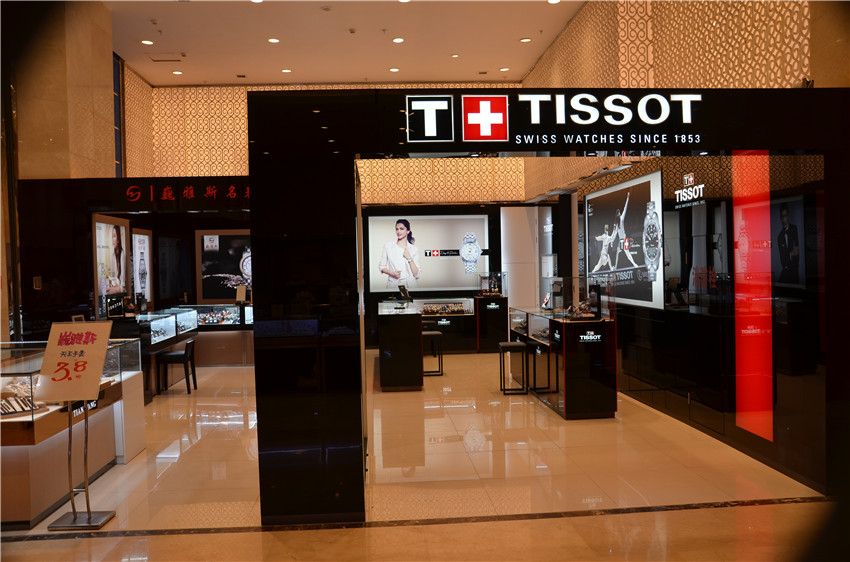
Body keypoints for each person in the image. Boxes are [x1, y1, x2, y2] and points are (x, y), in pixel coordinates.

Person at [379, 219, 421, 288]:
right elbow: (382, 266)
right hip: (394, 284)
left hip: (410, 285)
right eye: (397, 229)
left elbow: (417, 274)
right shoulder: (388, 246)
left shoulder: (414, 249)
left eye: (401, 229)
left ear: (408, 231)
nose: (398, 231)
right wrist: (392, 274)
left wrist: (409, 258)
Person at [613, 191, 640, 269]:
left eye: (619, 212)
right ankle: (615, 267)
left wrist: (628, 198)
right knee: (617, 252)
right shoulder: (616, 225)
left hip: (624, 240)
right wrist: (611, 241)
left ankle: (634, 264)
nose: (620, 213)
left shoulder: (622, 219)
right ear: (617, 215)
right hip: (620, 241)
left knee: (628, 254)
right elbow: (614, 234)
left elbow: (625, 208)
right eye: (618, 213)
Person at [777, 202, 800, 284]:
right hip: (786, 269)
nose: (783, 219)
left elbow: (796, 252)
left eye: (785, 216)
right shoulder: (779, 237)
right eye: (782, 217)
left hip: (794, 270)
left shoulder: (794, 229)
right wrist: (791, 254)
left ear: (788, 216)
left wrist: (789, 255)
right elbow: (782, 261)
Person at [106, 224, 125, 294]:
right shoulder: (113, 255)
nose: (112, 240)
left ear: (118, 239)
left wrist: (116, 289)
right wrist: (113, 285)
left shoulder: (122, 254)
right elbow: (116, 280)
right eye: (112, 236)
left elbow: (123, 287)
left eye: (114, 236)